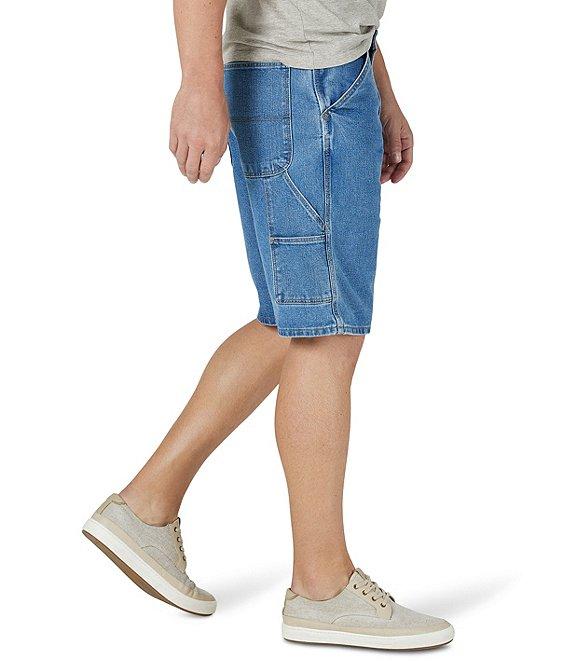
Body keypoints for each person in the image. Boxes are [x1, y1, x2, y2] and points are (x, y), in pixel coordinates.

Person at [82, 0, 454, 651]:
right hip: (303, 84)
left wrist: (379, 87)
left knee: (292, 319)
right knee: (324, 331)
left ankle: (146, 506)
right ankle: (322, 586)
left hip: (332, 74)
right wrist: (197, 82)